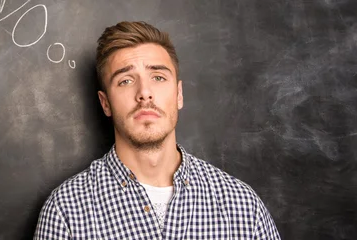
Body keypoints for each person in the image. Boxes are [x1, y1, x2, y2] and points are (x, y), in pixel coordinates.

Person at [34, 21, 280, 239]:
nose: (144, 92)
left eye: (158, 77)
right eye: (125, 80)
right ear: (105, 103)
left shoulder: (242, 207)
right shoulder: (66, 211)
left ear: (179, 94)